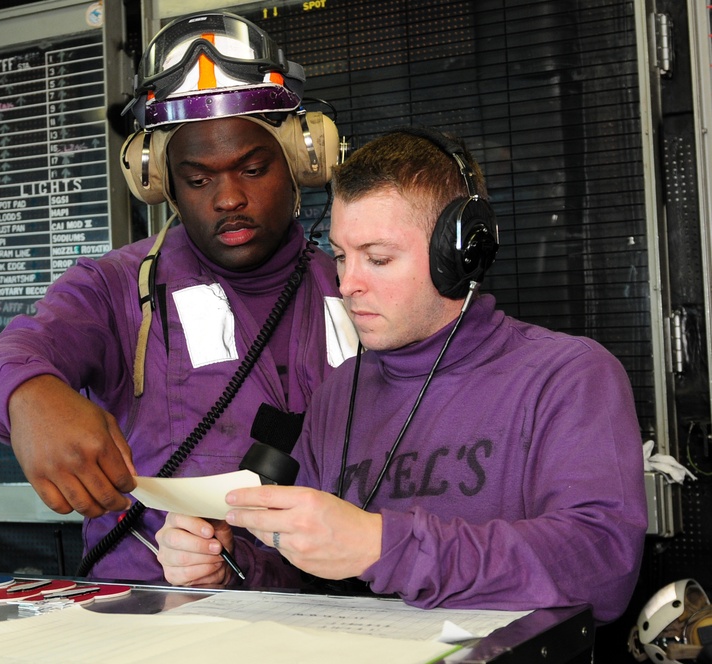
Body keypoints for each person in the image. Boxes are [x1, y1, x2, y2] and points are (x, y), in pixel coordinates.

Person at [155, 127, 648, 623]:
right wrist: (229, 566)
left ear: (457, 255)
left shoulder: (569, 377)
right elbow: (306, 576)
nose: (348, 284)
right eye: (343, 257)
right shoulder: (340, 394)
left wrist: (381, 544)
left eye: (379, 258)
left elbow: (601, 565)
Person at [0, 11, 356, 583]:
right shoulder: (118, 287)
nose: (228, 198)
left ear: (300, 160)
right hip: (153, 616)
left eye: (252, 168)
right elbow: (13, 352)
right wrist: (28, 396)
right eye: (198, 179)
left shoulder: (355, 288)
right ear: (162, 183)